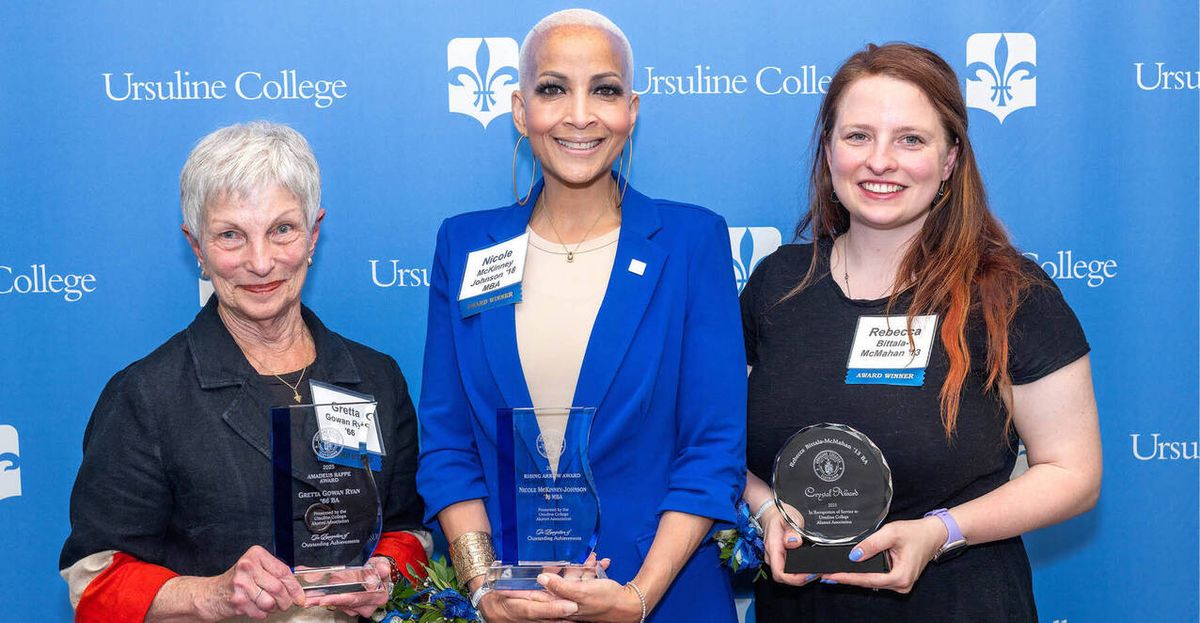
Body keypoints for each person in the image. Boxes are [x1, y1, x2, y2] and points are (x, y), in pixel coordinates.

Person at [740, 43, 1102, 621]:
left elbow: (1072, 473)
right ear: (829, 151)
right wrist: (764, 510)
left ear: (950, 158)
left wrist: (941, 531)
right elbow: (718, 444)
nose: (880, 161)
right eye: (858, 136)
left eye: (910, 139)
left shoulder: (1009, 293)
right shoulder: (777, 284)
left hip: (961, 604)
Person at [417, 8, 746, 623]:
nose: (579, 114)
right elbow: (447, 447)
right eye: (553, 89)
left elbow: (712, 449)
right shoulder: (464, 246)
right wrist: (485, 590)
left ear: (632, 110)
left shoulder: (690, 241)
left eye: (604, 90)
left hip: (666, 600)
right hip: (515, 605)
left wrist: (638, 596)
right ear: (520, 111)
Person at [60, 122, 429, 622]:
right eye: (231, 235)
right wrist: (212, 595)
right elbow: (95, 581)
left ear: (313, 233)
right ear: (197, 247)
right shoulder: (146, 396)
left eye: (282, 230)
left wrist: (386, 571)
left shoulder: (376, 377)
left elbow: (408, 530)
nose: (260, 262)